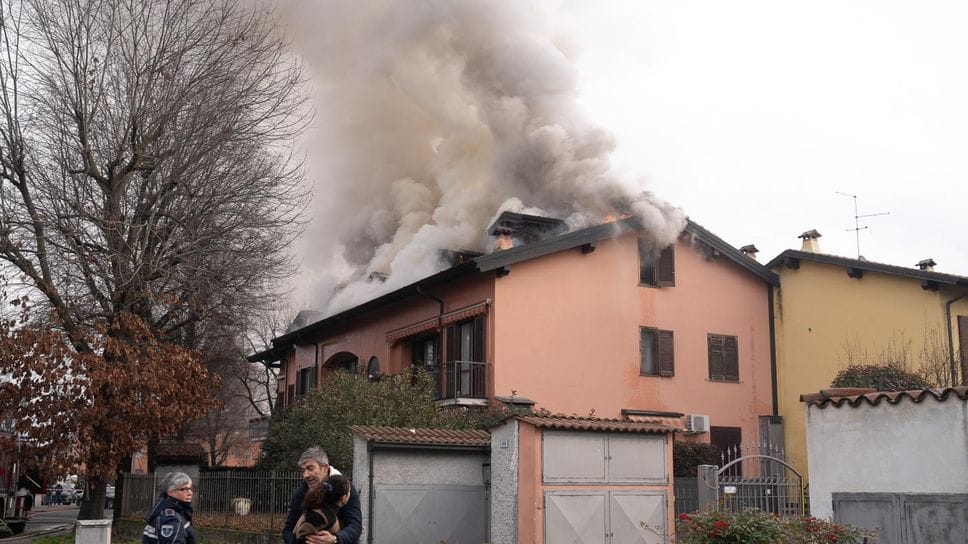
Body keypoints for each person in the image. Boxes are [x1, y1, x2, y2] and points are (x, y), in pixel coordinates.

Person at [283, 447, 362, 544]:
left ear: (325, 468)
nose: (305, 475)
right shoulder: (300, 494)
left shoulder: (345, 490)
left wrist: (335, 539)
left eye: (310, 468)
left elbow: (355, 526)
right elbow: (288, 530)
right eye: (303, 471)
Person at [292, 475, 352, 543]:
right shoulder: (321, 516)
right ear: (344, 498)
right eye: (349, 492)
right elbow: (301, 537)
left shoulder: (323, 510)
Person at [142, 472, 196, 544]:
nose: (190, 493)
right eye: (185, 489)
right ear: (171, 492)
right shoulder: (171, 518)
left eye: (190, 488)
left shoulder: (161, 509)